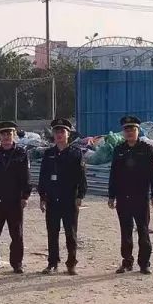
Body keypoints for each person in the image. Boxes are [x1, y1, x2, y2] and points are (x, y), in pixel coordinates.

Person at [107, 115, 153, 275]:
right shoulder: (119, 150)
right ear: (123, 132)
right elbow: (114, 174)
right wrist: (111, 195)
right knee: (126, 231)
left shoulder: (146, 149)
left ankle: (144, 263)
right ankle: (127, 261)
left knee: (143, 230)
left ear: (138, 131)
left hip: (140, 196)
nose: (130, 132)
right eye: (127, 130)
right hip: (123, 197)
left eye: (133, 129)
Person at [38, 118, 87, 275]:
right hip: (52, 199)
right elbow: (43, 176)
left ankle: (71, 263)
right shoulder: (49, 154)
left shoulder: (75, 153)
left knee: (70, 233)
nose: (59, 134)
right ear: (53, 134)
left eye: (62, 131)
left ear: (68, 134)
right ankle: (52, 263)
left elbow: (81, 177)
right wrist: (42, 196)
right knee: (52, 233)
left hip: (69, 199)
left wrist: (80, 195)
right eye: (56, 131)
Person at [0, 120, 31, 274]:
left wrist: (25, 196)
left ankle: (17, 263)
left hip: (15, 200)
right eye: (3, 134)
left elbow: (26, 177)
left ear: (13, 134)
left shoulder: (21, 154)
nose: (6, 137)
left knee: (16, 234)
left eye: (9, 133)